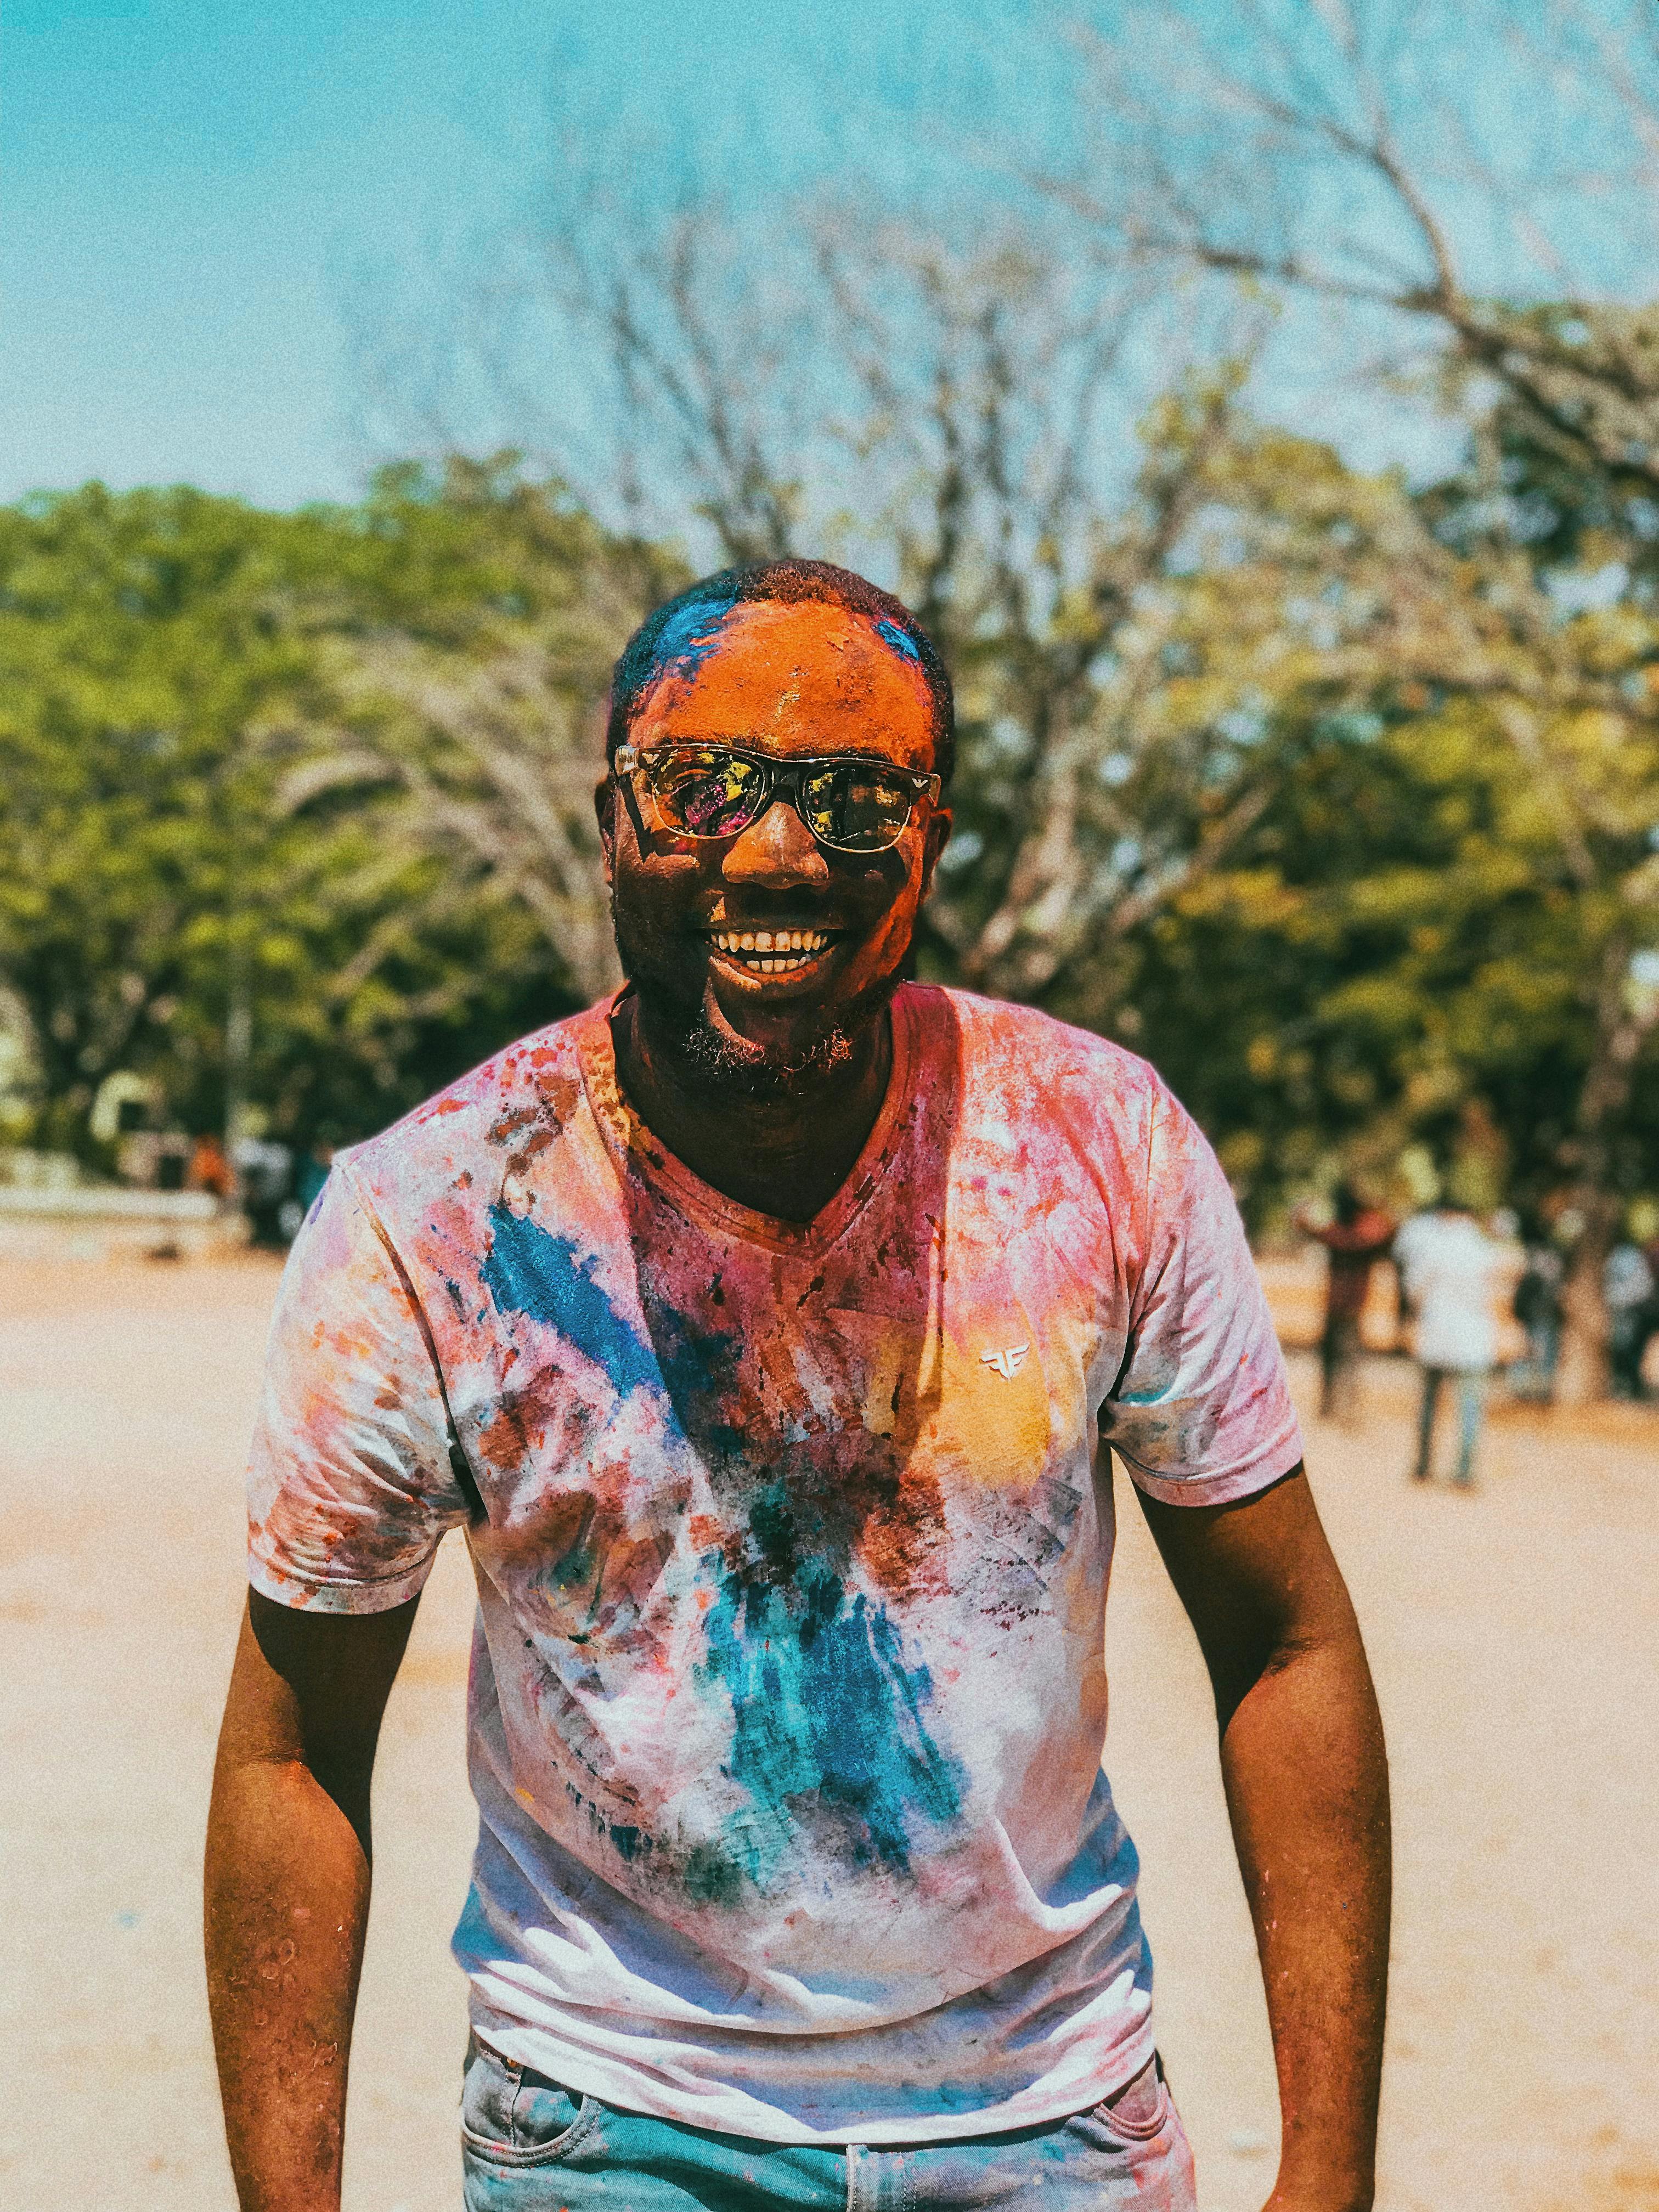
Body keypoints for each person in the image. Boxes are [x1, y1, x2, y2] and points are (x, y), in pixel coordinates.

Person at [206, 561, 1390, 2212]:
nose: (774, 853)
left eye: (849, 797)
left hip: (1049, 2119)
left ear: (932, 835)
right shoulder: (433, 1221)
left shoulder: (1100, 1153)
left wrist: (1329, 2171)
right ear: (615, 818)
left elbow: (1289, 1643)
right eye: (703, 787)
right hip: (610, 2127)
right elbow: (290, 1756)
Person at [1395, 1200, 1504, 1488]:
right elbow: (1496, 1293)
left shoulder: (1434, 1248)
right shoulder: (1484, 1250)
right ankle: (1464, 1471)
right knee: (1470, 1408)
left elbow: (1414, 1290)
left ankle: (1423, 1466)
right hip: (1474, 1338)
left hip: (1438, 1334)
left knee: (1430, 1404)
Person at [1294, 1183, 1396, 1425]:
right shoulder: (1366, 1234)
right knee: (1347, 1359)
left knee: (1335, 1358)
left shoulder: (1340, 1235)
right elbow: (1386, 1228)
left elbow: (1311, 1227)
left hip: (1338, 1305)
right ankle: (1344, 1409)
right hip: (1352, 1306)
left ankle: (1332, 1408)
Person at [1604, 1238, 1656, 1401]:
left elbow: (1639, 1289)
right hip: (1633, 1310)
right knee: (1628, 1350)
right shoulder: (1631, 1257)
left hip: (1633, 1311)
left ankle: (1630, 1387)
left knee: (1628, 1349)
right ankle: (1630, 1386)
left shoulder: (1628, 1257)